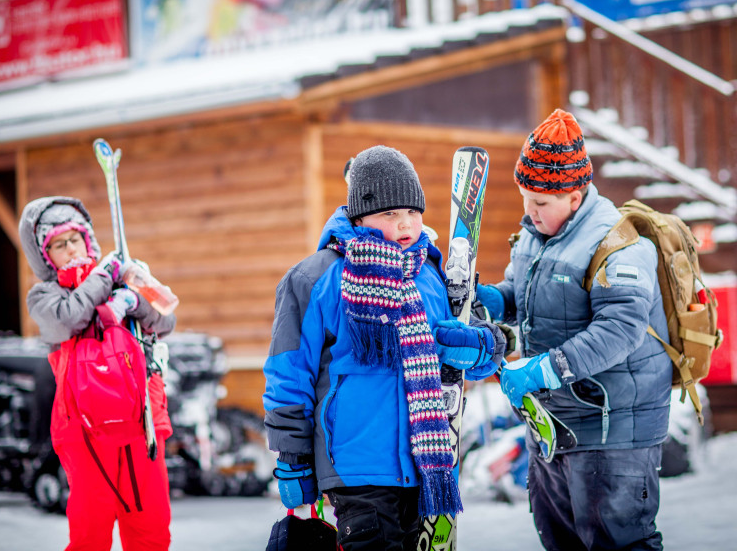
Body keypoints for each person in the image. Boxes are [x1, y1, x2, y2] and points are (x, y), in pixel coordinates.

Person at [262, 145, 506, 550]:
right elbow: (288, 375)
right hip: (356, 469)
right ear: (359, 216)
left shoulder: (431, 275)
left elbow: (483, 349)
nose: (405, 223)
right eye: (389, 213)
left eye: (412, 211)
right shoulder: (316, 279)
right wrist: (292, 457)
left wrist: (480, 347)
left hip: (425, 468)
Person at [475, 109, 672, 551]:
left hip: (613, 429)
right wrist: (494, 300)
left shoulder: (618, 246)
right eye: (526, 198)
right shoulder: (534, 237)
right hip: (554, 425)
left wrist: (547, 369)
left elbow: (620, 329)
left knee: (617, 543)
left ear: (575, 197)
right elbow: (525, 296)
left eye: (541, 202)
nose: (530, 211)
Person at [19, 196, 175, 551]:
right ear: (45, 255)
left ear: (87, 240)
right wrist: (104, 278)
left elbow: (167, 319)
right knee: (90, 530)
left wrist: (135, 300)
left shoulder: (124, 276)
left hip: (142, 422)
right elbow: (68, 319)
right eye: (59, 244)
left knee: (150, 528)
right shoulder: (44, 296)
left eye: (75, 239)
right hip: (83, 429)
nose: (71, 249)